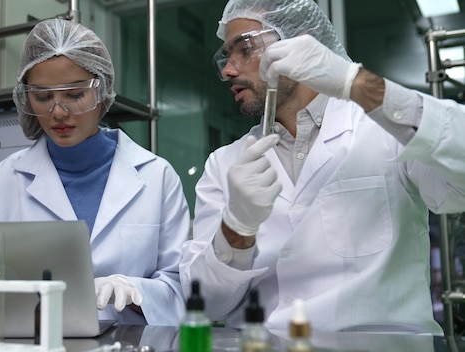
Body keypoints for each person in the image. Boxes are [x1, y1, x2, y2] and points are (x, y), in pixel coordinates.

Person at [180, 0, 465, 335]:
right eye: (225, 57)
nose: (228, 70)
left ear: (299, 41)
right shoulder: (225, 163)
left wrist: (355, 83)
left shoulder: (383, 132)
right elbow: (206, 302)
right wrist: (236, 228)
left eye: (244, 49)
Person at [0, 18, 190, 326]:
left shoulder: (157, 177)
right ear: (25, 97)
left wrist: (137, 291)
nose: (58, 112)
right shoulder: (1, 183)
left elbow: (183, 290)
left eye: (74, 95)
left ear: (102, 90)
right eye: (43, 97)